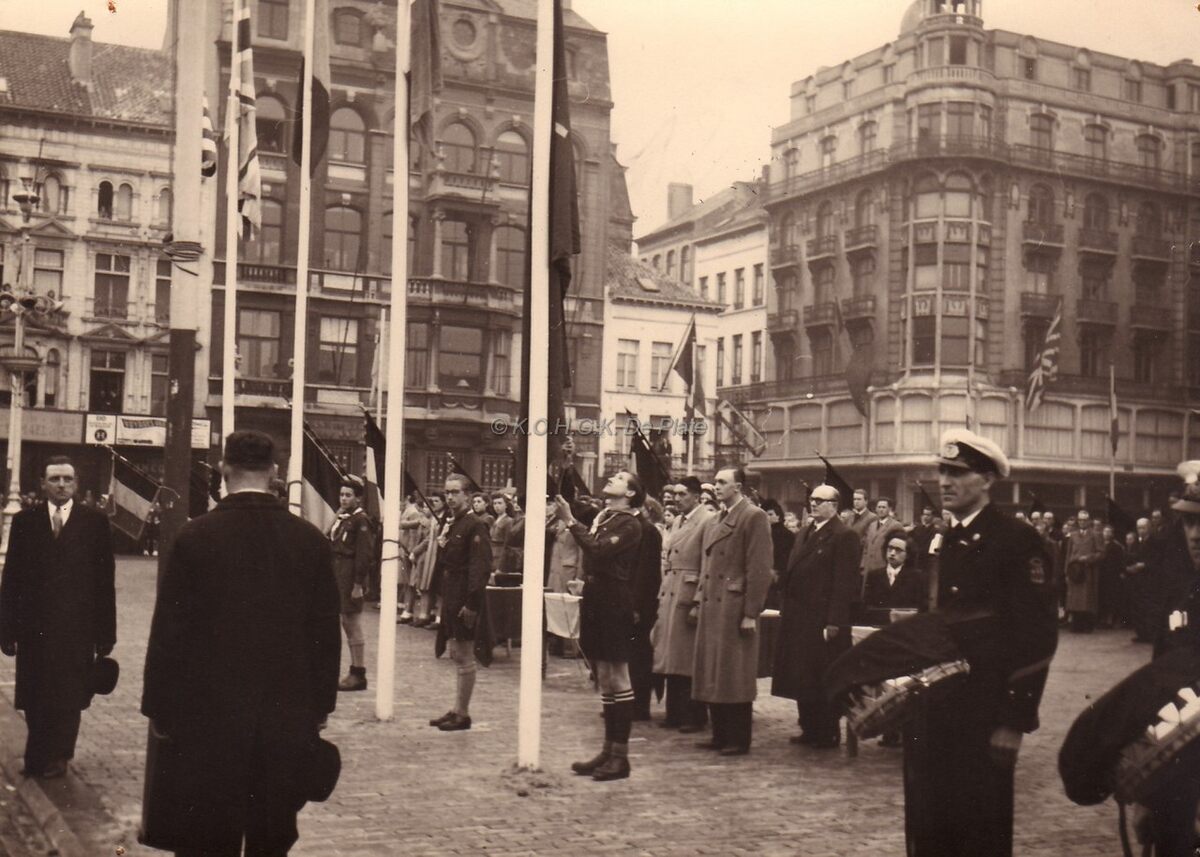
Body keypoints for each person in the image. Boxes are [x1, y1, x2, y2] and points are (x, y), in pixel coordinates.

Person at [141, 431, 340, 856]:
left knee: (206, 833)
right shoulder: (309, 540)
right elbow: (324, 635)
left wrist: (159, 707)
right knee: (272, 834)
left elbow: (170, 634)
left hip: (207, 721)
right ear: (274, 472)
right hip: (284, 718)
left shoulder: (195, 536)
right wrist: (321, 707)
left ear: (223, 469)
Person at [902, 429, 1057, 857]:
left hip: (984, 715)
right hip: (935, 711)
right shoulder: (944, 540)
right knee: (931, 828)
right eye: (942, 472)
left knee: (978, 832)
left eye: (957, 473)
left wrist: (1014, 720)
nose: (944, 482)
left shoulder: (1016, 540)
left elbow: (1038, 636)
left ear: (987, 480)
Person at [0, 456, 115, 779]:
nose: (61, 485)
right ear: (42, 483)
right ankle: (37, 755)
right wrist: (6, 628)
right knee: (34, 694)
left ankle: (60, 756)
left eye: (67, 479)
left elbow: (104, 582)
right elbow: (12, 579)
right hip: (34, 630)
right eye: (54, 479)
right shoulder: (25, 522)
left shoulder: (94, 523)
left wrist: (106, 634)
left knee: (69, 695)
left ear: (76, 483)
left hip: (77, 629)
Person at [555, 472, 644, 781]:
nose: (611, 479)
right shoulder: (606, 516)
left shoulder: (630, 524)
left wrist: (569, 520)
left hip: (614, 601)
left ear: (630, 493)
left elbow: (598, 548)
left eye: (619, 478)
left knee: (619, 676)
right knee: (604, 676)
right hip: (597, 596)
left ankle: (621, 756)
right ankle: (608, 750)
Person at [689, 467, 773, 756]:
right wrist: (698, 600)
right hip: (713, 603)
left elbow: (759, 568)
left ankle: (738, 738)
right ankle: (720, 733)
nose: (717, 486)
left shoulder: (753, 516)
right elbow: (706, 566)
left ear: (738, 486)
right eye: (715, 482)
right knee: (714, 669)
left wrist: (751, 612)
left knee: (734, 674)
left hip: (734, 606)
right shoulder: (716, 519)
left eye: (723, 482)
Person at [771, 483, 860, 750]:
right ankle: (809, 727)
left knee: (822, 675)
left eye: (820, 500)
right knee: (802, 675)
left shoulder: (844, 535)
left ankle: (827, 730)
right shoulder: (805, 532)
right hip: (799, 616)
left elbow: (844, 583)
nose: (813, 504)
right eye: (812, 499)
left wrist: (834, 621)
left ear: (834, 505)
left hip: (821, 617)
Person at [428, 474, 493, 732]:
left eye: (455, 492)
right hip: (451, 594)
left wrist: (472, 603)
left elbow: (480, 566)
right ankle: (456, 708)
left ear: (467, 495)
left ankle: (463, 714)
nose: (450, 497)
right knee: (456, 653)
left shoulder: (475, 525)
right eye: (447, 492)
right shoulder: (453, 522)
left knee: (464, 654)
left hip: (465, 596)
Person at [651, 477, 714, 733]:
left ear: (697, 496)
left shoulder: (707, 520)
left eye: (683, 494)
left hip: (688, 592)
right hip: (671, 590)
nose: (677, 499)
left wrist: (698, 600)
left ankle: (694, 715)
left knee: (687, 658)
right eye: (675, 494)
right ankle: (675, 712)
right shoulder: (678, 521)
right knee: (671, 656)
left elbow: (707, 564)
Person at [329, 476, 376, 691]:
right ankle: (355, 671)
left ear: (358, 498)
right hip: (339, 572)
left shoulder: (361, 520)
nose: (344, 498)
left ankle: (358, 672)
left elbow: (364, 555)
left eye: (348, 495)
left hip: (350, 574)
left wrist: (358, 584)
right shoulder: (344, 518)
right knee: (346, 622)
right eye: (341, 495)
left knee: (352, 622)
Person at [631, 499, 663, 721]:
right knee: (630, 655)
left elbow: (646, 573)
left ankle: (640, 706)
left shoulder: (649, 531)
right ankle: (628, 702)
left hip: (642, 604)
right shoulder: (634, 529)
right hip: (632, 600)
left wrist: (637, 605)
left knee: (640, 656)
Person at [1063, 509, 1103, 633]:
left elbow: (1101, 553)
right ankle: (1076, 625)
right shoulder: (1073, 535)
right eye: (1080, 520)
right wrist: (1066, 572)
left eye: (1084, 520)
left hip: (1087, 570)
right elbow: (1068, 554)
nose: (1082, 522)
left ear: (1089, 521)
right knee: (1074, 599)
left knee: (1086, 599)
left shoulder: (1095, 534)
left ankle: (1087, 625)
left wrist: (1089, 558)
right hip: (1074, 570)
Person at [864, 536, 923, 613]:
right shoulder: (874, 575)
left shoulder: (916, 577)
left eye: (898, 550)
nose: (892, 553)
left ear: (908, 555)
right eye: (890, 548)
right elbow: (868, 605)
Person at [1126, 518, 1156, 643]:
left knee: (1148, 607)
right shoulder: (1137, 543)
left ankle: (1149, 634)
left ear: (1149, 528)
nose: (1141, 530)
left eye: (1143, 528)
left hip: (1149, 579)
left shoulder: (1155, 542)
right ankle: (1141, 633)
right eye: (1139, 528)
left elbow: (1157, 560)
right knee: (1138, 607)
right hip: (1137, 579)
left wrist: (1144, 565)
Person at [761, 499, 794, 612]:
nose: (767, 517)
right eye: (765, 514)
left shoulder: (786, 535)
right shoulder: (762, 533)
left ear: (778, 516)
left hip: (777, 576)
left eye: (770, 514)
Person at [862, 497, 905, 581]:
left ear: (889, 509)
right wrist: (863, 564)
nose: (881, 510)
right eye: (879, 507)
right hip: (868, 567)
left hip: (883, 567)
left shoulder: (895, 525)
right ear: (875, 509)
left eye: (884, 507)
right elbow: (866, 547)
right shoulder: (872, 525)